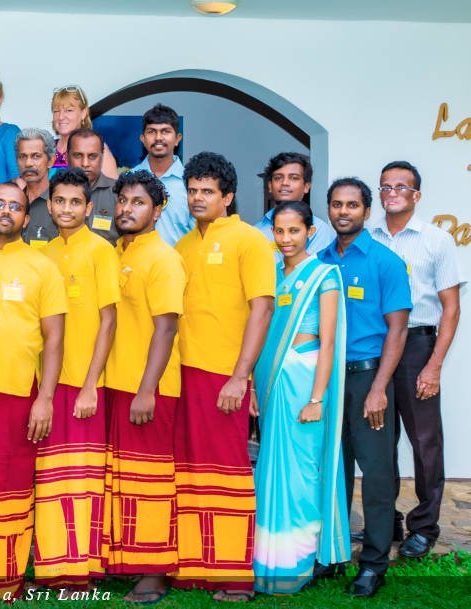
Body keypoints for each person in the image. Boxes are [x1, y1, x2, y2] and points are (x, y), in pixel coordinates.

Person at [172, 152, 275, 601]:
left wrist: (240, 376)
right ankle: (196, 566)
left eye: (207, 192)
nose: (197, 198)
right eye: (192, 190)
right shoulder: (183, 245)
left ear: (228, 197)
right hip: (182, 375)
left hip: (222, 377)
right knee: (190, 472)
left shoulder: (250, 241)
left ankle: (235, 575)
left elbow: (263, 308)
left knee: (227, 474)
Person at [0, 182, 66, 597]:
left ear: (26, 217)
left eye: (15, 206)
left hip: (17, 390)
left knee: (10, 485)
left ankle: (6, 578)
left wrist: (46, 399)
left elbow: (54, 339)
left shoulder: (42, 268)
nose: (6, 211)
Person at [317, 177, 410, 598]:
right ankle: (331, 554)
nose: (343, 212)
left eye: (352, 205)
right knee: (331, 472)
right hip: (327, 380)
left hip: (367, 380)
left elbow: (397, 330)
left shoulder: (385, 262)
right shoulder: (318, 261)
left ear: (366, 212)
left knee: (375, 476)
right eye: (336, 204)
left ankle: (373, 563)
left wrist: (379, 388)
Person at [367, 160, 464, 561]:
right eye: (385, 187)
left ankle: (424, 527)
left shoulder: (436, 240)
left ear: (416, 195)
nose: (391, 194)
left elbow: (451, 309)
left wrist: (434, 365)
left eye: (400, 188)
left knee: (425, 443)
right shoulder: (368, 238)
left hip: (417, 348)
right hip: (374, 348)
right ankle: (385, 519)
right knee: (378, 441)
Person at [251, 201, 350, 595]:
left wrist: (317, 397)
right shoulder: (270, 273)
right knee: (271, 468)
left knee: (302, 473)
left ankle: (297, 563)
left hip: (306, 383)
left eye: (294, 230)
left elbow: (328, 343)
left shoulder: (324, 275)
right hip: (271, 382)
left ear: (310, 231)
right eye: (279, 231)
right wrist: (254, 389)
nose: (286, 238)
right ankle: (267, 561)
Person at [34, 167, 120, 588]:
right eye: (60, 201)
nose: (67, 209)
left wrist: (90, 386)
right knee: (50, 477)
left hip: (84, 385)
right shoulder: (42, 253)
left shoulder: (102, 251)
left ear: (89, 207)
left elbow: (108, 322)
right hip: (47, 384)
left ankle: (82, 569)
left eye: (75, 202)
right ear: (49, 206)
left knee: (83, 480)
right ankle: (52, 566)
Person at [103, 170, 186, 603]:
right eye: (122, 201)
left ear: (157, 210)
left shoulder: (163, 258)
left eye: (138, 202)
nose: (126, 209)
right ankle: (129, 559)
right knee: (124, 479)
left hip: (147, 390)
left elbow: (166, 328)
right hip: (114, 384)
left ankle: (155, 571)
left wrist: (147, 389)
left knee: (150, 481)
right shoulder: (116, 252)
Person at [252, 152, 334, 257]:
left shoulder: (319, 230)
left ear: (306, 186)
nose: (285, 183)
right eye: (278, 178)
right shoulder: (256, 231)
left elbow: (310, 270)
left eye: (294, 178)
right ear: (270, 186)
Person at [130, 104, 190, 246]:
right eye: (152, 131)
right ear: (143, 138)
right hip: (137, 264)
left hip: (180, 265)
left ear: (177, 138)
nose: (158, 138)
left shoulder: (191, 182)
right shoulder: (129, 179)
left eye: (165, 131)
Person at [49, 85, 119, 179]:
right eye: (56, 111)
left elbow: (112, 190)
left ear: (83, 113)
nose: (61, 117)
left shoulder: (97, 148)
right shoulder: (47, 149)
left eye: (69, 110)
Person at [65, 127, 119, 242]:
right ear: (66, 157)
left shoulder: (119, 193)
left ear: (102, 157)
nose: (85, 164)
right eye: (78, 155)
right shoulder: (54, 194)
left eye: (92, 156)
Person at [14, 127, 58, 247]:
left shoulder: (59, 204)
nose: (28, 163)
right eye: (23, 156)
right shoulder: (12, 203)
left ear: (51, 161)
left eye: (36, 156)